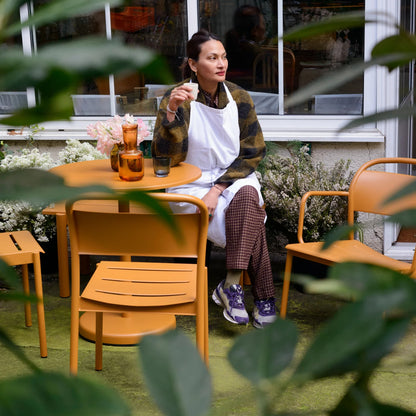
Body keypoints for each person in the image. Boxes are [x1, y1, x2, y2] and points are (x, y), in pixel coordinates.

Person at [151, 29, 276, 328]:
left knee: (247, 197)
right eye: (212, 58)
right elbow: (166, 156)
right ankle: (265, 297)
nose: (221, 64)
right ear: (193, 65)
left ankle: (231, 284)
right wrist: (171, 114)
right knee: (252, 217)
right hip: (189, 182)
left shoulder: (239, 97)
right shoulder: (177, 98)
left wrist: (218, 188)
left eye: (223, 57)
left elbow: (253, 150)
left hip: (232, 177)